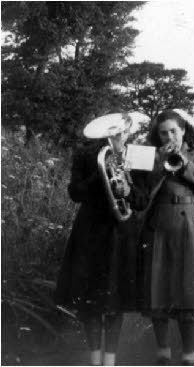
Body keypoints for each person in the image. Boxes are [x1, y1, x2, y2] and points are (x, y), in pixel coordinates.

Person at [54, 130, 146, 366]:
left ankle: (110, 360)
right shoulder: (86, 154)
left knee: (116, 298)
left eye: (122, 131)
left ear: (128, 131)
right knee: (90, 297)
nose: (118, 135)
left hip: (122, 232)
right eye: (113, 131)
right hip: (90, 231)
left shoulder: (138, 154)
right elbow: (74, 193)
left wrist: (129, 191)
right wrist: (100, 172)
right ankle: (95, 359)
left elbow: (144, 200)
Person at [137, 110, 194, 365]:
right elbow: (140, 197)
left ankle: (188, 355)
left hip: (189, 226)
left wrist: (184, 163)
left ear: (183, 129)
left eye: (173, 130)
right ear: (157, 134)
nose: (169, 136)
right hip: (158, 224)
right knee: (157, 292)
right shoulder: (149, 153)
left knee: (188, 293)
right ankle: (162, 353)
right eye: (163, 132)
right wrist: (159, 168)